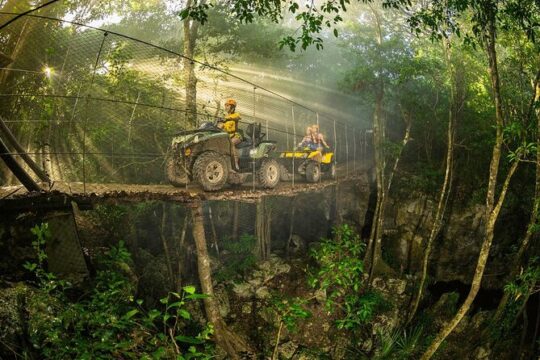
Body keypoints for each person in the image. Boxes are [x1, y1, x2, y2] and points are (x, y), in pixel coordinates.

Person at [221, 98, 243, 170]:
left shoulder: (236, 114)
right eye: (225, 106)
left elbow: (238, 118)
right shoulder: (225, 117)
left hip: (236, 136)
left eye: (227, 106)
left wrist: (228, 119)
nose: (226, 107)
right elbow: (221, 126)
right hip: (228, 136)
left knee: (231, 143)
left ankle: (235, 163)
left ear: (232, 107)